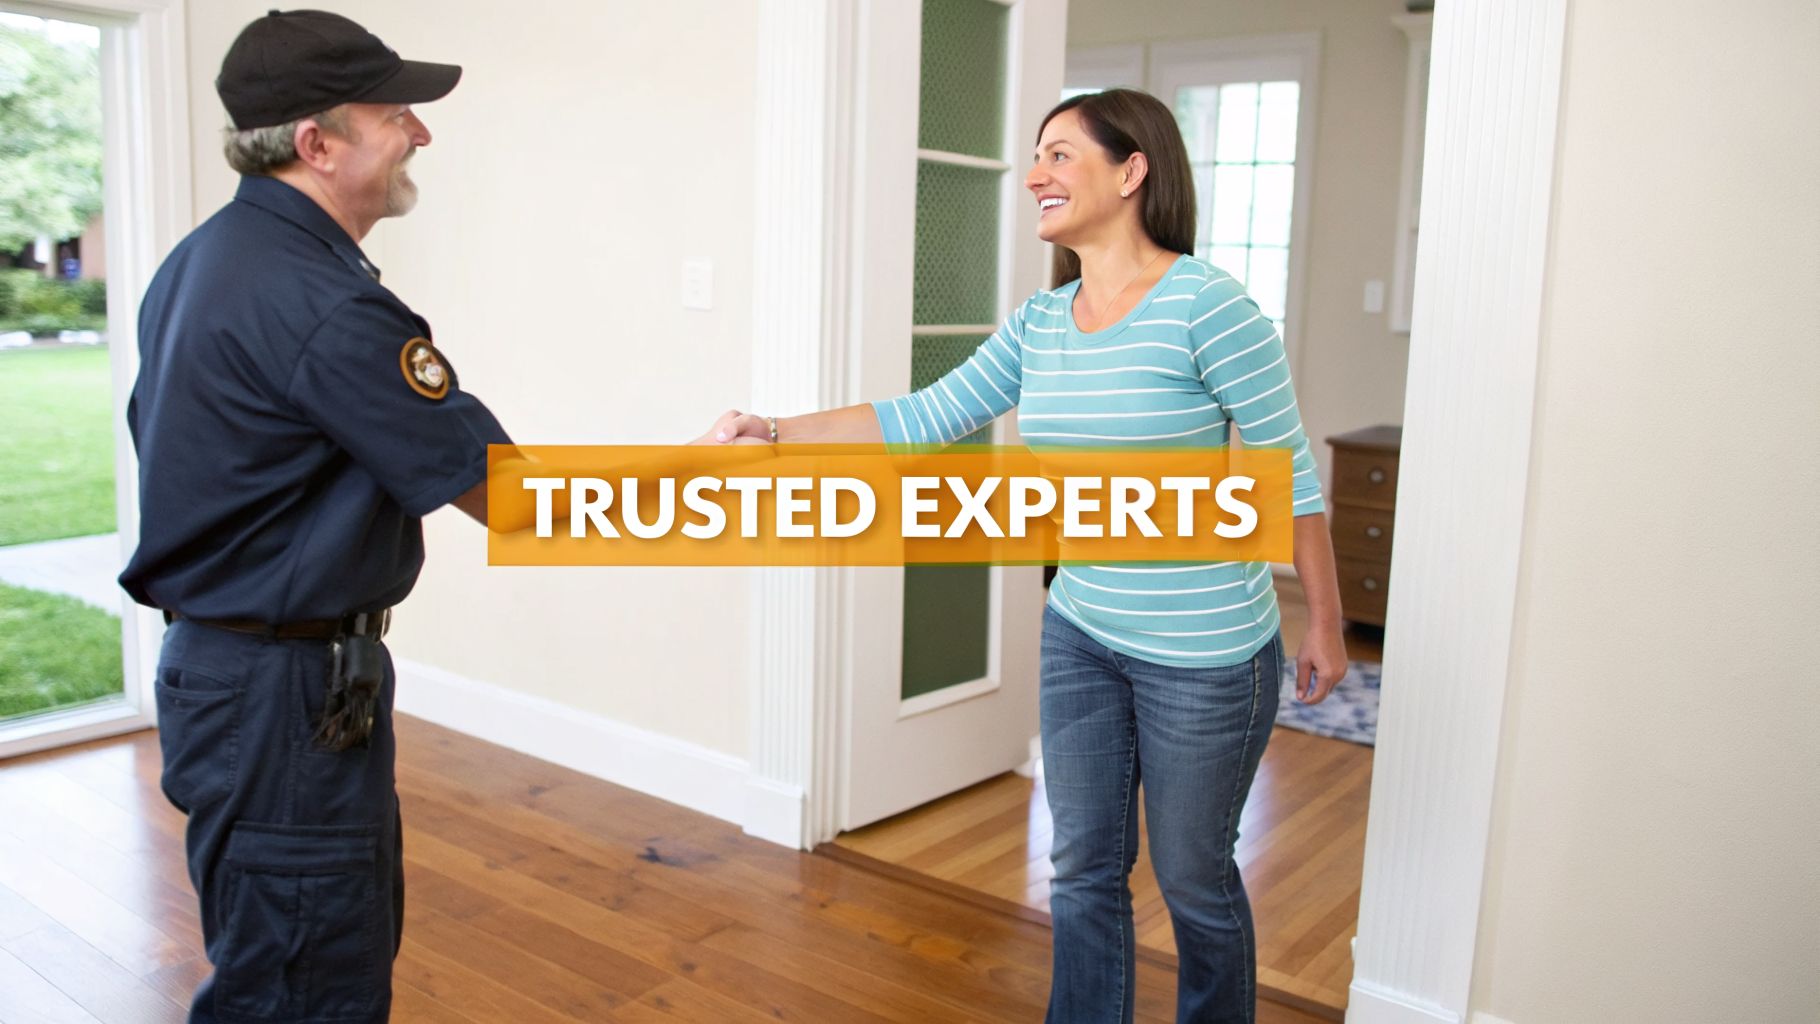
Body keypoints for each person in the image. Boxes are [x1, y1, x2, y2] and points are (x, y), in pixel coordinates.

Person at [708, 89, 1350, 1023]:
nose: (1037, 176)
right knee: (1084, 866)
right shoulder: (1043, 323)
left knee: (1195, 878)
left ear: (1131, 172)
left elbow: (1290, 476)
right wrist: (773, 431)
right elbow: (926, 415)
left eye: (1059, 154)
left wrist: (1325, 621)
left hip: (1206, 652)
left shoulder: (1210, 307)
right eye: (1035, 156)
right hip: (1084, 629)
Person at [119, 10, 530, 1022]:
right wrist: (712, 480)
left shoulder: (204, 261)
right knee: (305, 987)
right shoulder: (323, 306)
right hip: (279, 699)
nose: (420, 136)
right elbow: (514, 498)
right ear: (318, 143)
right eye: (398, 115)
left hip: (234, 677)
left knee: (282, 958)